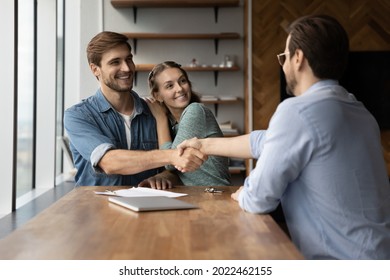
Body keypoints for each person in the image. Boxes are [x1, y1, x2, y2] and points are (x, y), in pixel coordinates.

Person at [177, 15, 390, 259]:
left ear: (298, 57)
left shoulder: (298, 111)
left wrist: (243, 192)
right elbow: (266, 141)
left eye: (284, 57)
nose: (283, 64)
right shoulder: (359, 112)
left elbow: (259, 198)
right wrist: (203, 144)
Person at [64, 31, 206, 188]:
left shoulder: (156, 112)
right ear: (95, 69)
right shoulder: (78, 116)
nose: (126, 68)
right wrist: (172, 156)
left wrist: (165, 176)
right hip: (98, 208)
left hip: (148, 208)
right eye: (115, 62)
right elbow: (109, 162)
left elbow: (176, 169)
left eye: (129, 59)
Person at [145, 61, 231, 186]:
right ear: (158, 96)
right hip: (193, 196)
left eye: (182, 81)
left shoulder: (196, 111)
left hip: (217, 196)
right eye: (170, 86)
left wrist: (160, 119)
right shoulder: (172, 124)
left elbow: (171, 160)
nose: (179, 89)